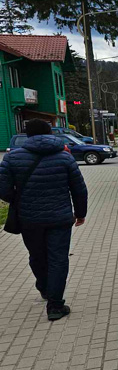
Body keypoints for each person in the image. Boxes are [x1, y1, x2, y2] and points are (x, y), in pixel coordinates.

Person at [0, 119, 88, 321]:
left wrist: (18, 200)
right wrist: (80, 213)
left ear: (27, 135)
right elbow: (79, 189)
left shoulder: (12, 158)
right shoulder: (65, 157)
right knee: (58, 259)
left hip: (29, 218)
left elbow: (3, 190)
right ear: (50, 133)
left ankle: (45, 287)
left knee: (37, 255)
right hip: (60, 218)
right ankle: (55, 306)